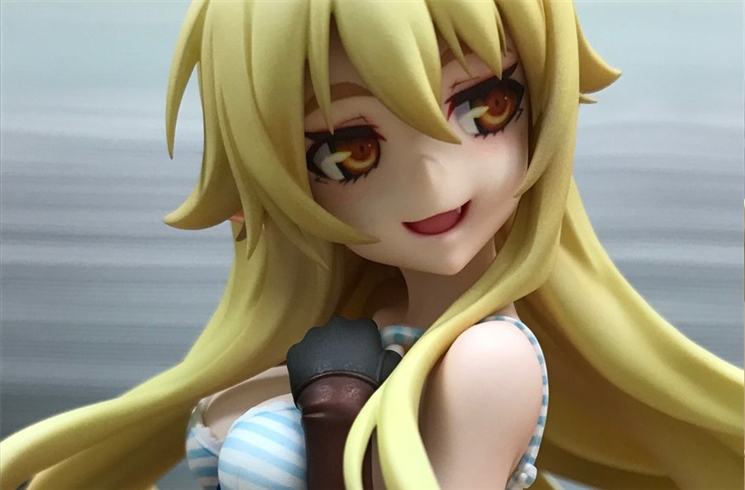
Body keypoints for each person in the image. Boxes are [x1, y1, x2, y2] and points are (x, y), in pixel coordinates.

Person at [1, 1, 742, 489]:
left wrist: (333, 424)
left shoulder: (490, 359)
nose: (432, 182)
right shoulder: (376, 317)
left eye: (485, 108)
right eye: (348, 150)